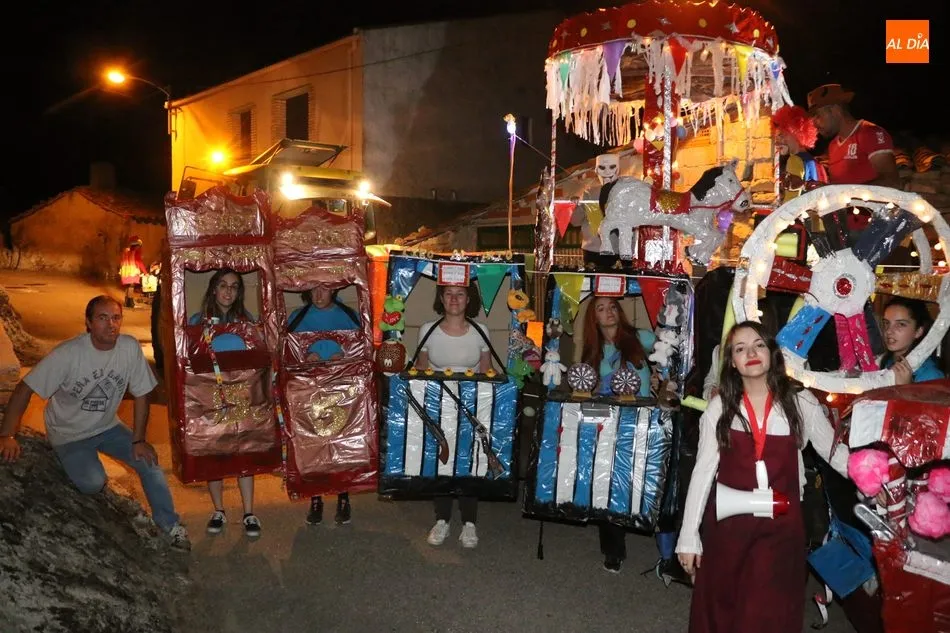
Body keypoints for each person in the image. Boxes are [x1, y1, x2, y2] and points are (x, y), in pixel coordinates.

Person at [676, 321, 849, 633]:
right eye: (740, 349)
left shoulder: (801, 402)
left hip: (781, 531)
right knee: (723, 610)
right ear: (731, 361)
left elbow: (837, 455)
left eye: (758, 344)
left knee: (767, 614)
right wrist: (689, 536)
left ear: (772, 351)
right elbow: (702, 472)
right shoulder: (720, 407)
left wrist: (878, 480)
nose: (751, 353)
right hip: (728, 529)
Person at [0, 295, 190, 551]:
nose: (111, 324)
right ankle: (76, 459)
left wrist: (139, 440)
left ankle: (170, 525)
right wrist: (8, 435)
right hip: (69, 433)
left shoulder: (129, 348)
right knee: (92, 482)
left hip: (107, 426)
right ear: (88, 323)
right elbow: (24, 388)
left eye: (116, 317)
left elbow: (142, 393)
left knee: (149, 462)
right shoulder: (69, 354)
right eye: (102, 318)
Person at [580, 296, 658, 573]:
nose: (608, 312)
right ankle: (613, 548)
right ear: (594, 317)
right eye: (600, 308)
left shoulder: (642, 338)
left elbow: (670, 356)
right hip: (609, 426)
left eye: (612, 306)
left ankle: (665, 544)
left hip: (643, 420)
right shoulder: (593, 351)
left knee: (641, 481)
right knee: (608, 484)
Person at [415, 283, 490, 549]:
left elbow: (486, 375)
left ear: (469, 298)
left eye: (460, 293)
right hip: (438, 405)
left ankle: (470, 523)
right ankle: (442, 520)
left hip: (470, 408)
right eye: (449, 293)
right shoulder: (428, 330)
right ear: (441, 298)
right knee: (442, 462)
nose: (454, 299)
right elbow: (420, 373)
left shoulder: (481, 331)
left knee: (469, 463)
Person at [189, 269, 261, 538]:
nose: (228, 291)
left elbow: (257, 359)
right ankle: (218, 509)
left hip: (241, 394)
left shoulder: (246, 321)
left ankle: (249, 512)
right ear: (213, 289)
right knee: (215, 451)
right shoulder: (198, 322)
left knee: (245, 449)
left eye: (234, 286)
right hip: (211, 396)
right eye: (223, 285)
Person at [287, 284, 360, 526]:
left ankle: (343, 496)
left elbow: (361, 352)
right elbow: (286, 354)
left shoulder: (349, 316)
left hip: (341, 393)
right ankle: (315, 497)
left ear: (334, 290)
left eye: (325, 288)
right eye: (314, 288)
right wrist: (304, 358)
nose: (319, 295)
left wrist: (345, 358)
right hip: (311, 393)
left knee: (340, 444)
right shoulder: (297, 318)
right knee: (313, 445)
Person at [808, 84, 900, 189]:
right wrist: (825, 188)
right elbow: (840, 189)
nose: (814, 123)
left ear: (835, 110)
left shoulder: (871, 133)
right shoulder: (833, 146)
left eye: (817, 116)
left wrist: (840, 191)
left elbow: (892, 182)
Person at [570, 154, 621, 268]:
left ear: (618, 169)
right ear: (596, 170)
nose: (607, 172)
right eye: (602, 167)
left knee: (616, 284)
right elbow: (575, 221)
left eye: (612, 167)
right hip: (592, 249)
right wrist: (576, 206)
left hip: (617, 249)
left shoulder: (624, 193)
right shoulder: (589, 192)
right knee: (591, 283)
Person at [879, 297, 944, 385]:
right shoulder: (883, 361)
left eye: (901, 324)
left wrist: (906, 388)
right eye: (887, 323)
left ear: (918, 331)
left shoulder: (931, 376)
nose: (889, 331)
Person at [771, 105, 823, 202]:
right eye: (776, 138)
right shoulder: (811, 160)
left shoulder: (794, 160)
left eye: (781, 136)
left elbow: (791, 202)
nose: (777, 142)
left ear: (796, 132)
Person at [119, 236, 147, 309]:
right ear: (136, 245)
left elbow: (121, 261)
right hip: (132, 271)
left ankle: (127, 302)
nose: (139, 247)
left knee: (128, 287)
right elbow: (139, 262)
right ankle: (131, 303)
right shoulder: (135, 253)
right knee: (131, 287)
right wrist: (145, 272)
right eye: (139, 246)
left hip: (125, 271)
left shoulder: (125, 251)